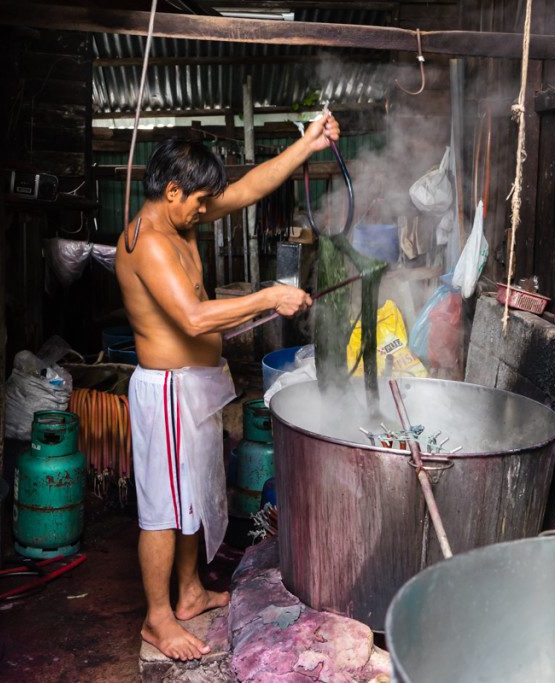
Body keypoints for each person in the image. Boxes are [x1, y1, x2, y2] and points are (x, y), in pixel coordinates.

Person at [115, 114, 339, 661]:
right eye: (196, 202)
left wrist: (305, 145)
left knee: (193, 495)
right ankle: (157, 618)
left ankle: (189, 593)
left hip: (192, 386)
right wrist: (269, 297)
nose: (204, 210)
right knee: (165, 510)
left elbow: (248, 187)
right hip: (166, 391)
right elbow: (192, 319)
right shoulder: (148, 242)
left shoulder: (180, 216)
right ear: (171, 191)